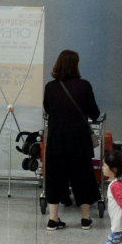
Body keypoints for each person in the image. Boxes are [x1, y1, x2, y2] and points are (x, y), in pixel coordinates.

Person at [43, 50, 101, 231]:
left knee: (55, 176)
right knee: (82, 175)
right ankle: (85, 219)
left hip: (56, 139)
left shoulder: (50, 87)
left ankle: (53, 219)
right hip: (78, 140)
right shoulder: (84, 85)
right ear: (75, 65)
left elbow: (47, 109)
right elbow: (95, 113)